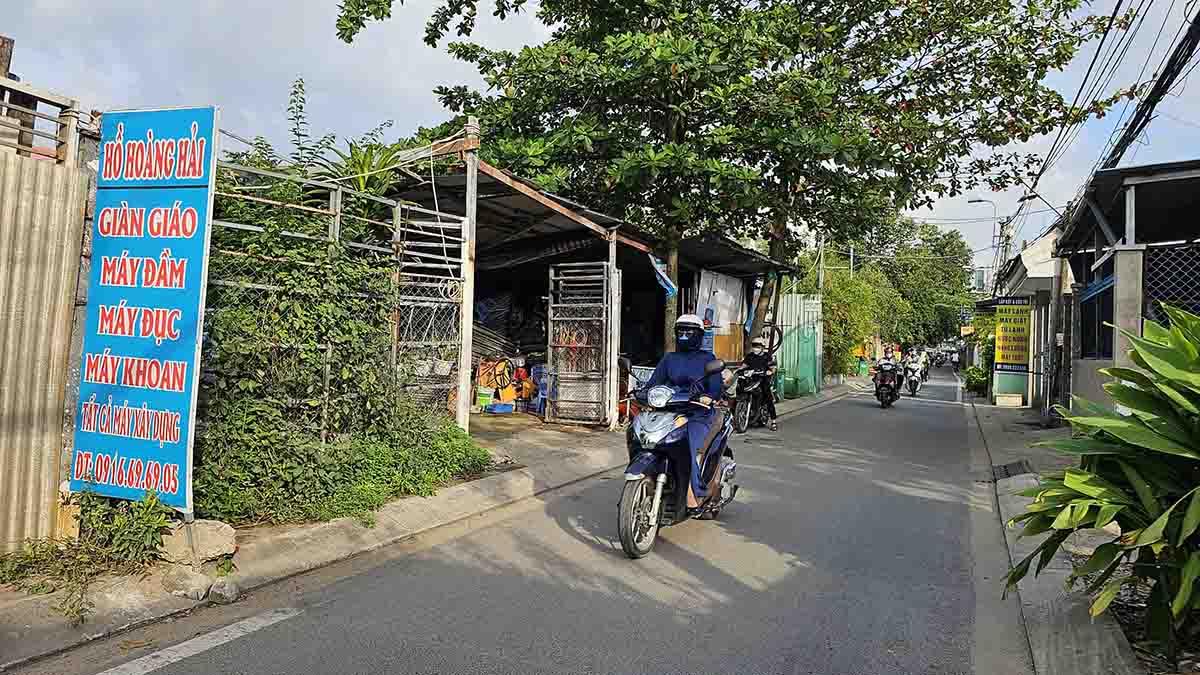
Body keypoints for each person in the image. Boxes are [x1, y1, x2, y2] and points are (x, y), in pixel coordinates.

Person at [646, 314, 724, 508]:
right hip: (670, 412)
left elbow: (715, 386)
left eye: (689, 331)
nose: (684, 335)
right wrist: (642, 393)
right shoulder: (669, 359)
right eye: (681, 330)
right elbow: (653, 383)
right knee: (645, 437)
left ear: (698, 335)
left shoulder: (707, 358)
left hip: (698, 412)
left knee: (687, 443)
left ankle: (695, 492)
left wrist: (709, 396)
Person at [743, 336, 779, 431]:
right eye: (754, 345)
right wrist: (738, 370)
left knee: (768, 398)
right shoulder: (749, 356)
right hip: (750, 380)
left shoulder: (767, 356)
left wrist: (770, 372)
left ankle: (773, 421)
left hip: (763, 380)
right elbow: (744, 365)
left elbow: (773, 368)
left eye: (758, 346)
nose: (756, 348)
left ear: (762, 347)